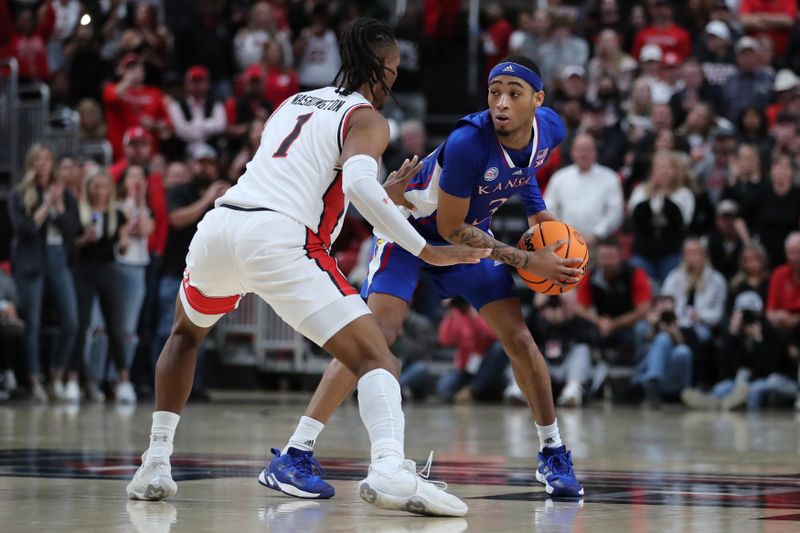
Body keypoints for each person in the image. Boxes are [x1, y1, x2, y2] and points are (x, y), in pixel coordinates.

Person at [126, 18, 489, 517]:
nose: (396, 81)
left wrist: (387, 197)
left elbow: (307, 177)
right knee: (378, 359)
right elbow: (356, 189)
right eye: (396, 71)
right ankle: (387, 468)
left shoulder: (293, 102)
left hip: (221, 226)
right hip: (280, 239)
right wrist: (427, 251)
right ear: (382, 69)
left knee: (185, 335)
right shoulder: (367, 119)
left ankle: (155, 463)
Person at [264, 54, 585, 501]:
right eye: (495, 93)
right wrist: (528, 262)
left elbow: (525, 173)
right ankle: (296, 452)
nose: (502, 103)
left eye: (514, 94)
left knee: (520, 340)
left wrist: (547, 229)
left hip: (473, 243)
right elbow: (452, 229)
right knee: (373, 339)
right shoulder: (469, 141)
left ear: (538, 100)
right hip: (411, 235)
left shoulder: (551, 128)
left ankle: (552, 451)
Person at [8, 144, 81, 402]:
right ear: (31, 163)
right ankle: (34, 378)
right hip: (30, 261)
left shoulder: (64, 194)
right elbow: (23, 230)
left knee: (71, 321)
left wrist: (58, 206)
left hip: (58, 257)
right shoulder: (20, 194)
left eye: (46, 159)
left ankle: (57, 374)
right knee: (33, 322)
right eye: (37, 160)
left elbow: (73, 229)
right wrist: (45, 205)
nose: (42, 164)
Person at [543, 133, 623, 248]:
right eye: (580, 150)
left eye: (587, 150)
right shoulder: (559, 178)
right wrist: (565, 234)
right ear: (573, 153)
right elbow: (549, 209)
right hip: (565, 244)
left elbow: (615, 213)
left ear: (595, 152)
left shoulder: (610, 178)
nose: (583, 154)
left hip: (600, 246)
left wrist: (596, 235)